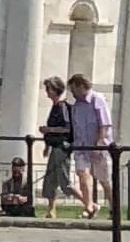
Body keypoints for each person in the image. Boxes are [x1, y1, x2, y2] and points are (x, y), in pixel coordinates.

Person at [66, 72, 110, 218]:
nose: (72, 93)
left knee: (104, 180)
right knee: (82, 174)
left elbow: (104, 124)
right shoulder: (76, 106)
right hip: (81, 146)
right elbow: (75, 127)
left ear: (81, 86)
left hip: (98, 146)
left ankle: (113, 208)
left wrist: (99, 144)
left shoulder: (97, 99)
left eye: (73, 89)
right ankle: (89, 207)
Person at [39, 77, 75, 215]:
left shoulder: (62, 106)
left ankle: (89, 203)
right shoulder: (55, 106)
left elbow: (66, 128)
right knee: (50, 179)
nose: (46, 92)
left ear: (55, 90)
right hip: (54, 146)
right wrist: (47, 146)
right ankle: (51, 209)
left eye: (48, 88)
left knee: (64, 181)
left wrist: (48, 130)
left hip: (61, 147)